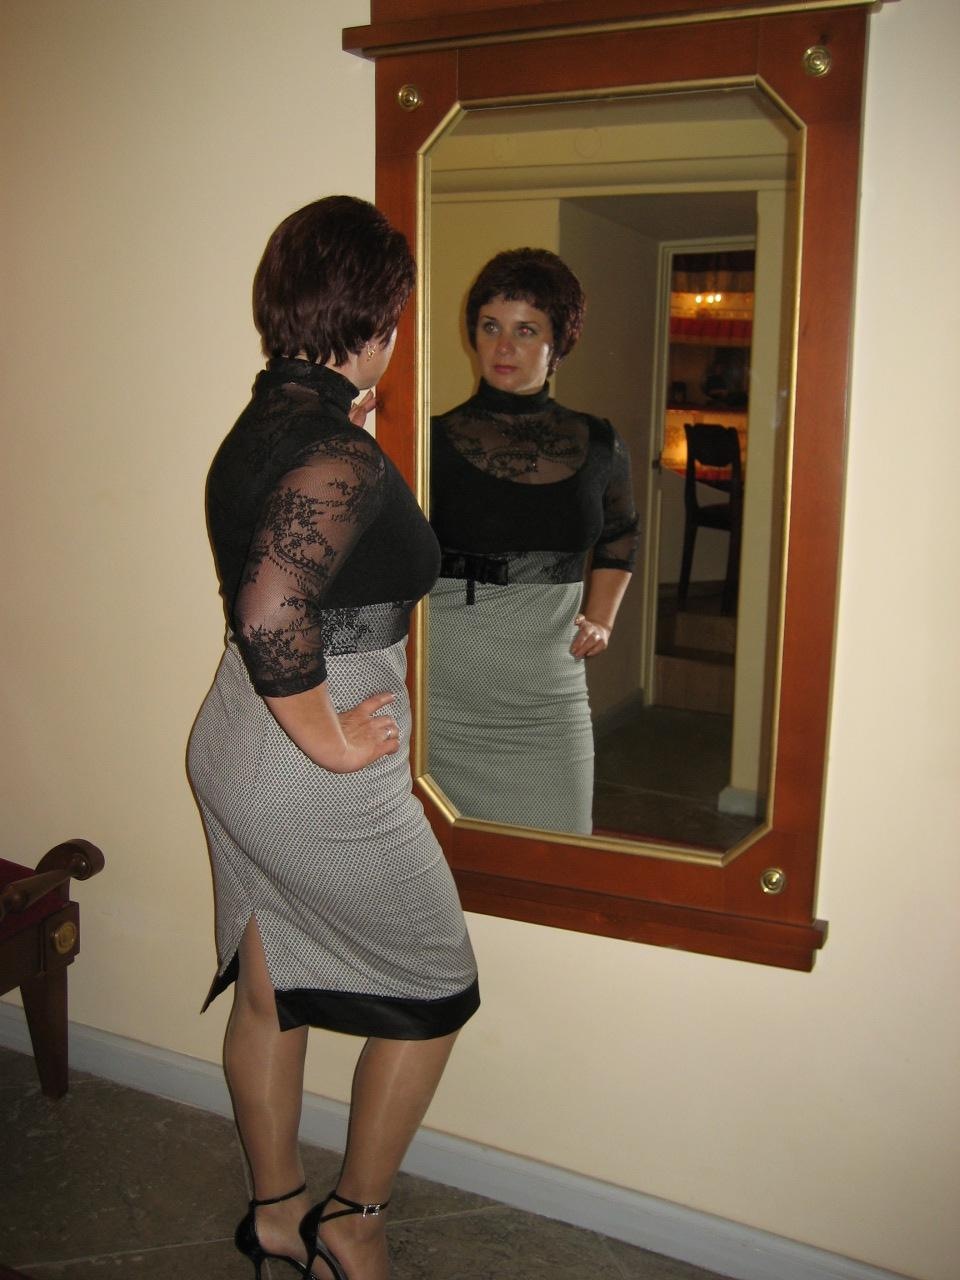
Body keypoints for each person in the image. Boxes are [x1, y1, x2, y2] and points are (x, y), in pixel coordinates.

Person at [187, 195, 479, 1280]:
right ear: (377, 318)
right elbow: (273, 609)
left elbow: (279, 592)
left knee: (273, 983)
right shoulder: (333, 450)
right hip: (300, 761)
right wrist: (333, 743)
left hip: (233, 738)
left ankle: (276, 1213)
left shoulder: (262, 423)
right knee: (436, 985)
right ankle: (350, 1222)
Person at [427, 248, 639, 835]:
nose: (503, 347)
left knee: (556, 856)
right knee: (446, 870)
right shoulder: (428, 443)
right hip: (443, 696)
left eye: (526, 331)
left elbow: (621, 533)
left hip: (548, 699)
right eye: (490, 326)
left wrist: (602, 618)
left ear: (557, 345)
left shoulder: (598, 442)